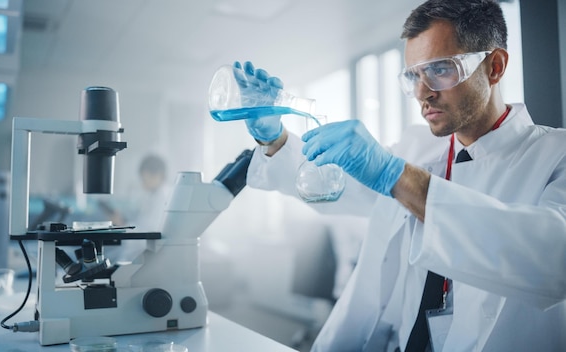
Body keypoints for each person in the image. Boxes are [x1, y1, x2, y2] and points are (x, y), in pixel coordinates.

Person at [229, 0, 566, 350]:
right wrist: (275, 138)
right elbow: (335, 186)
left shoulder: (555, 155)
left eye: (440, 69)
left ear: (494, 66)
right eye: (414, 75)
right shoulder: (415, 148)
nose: (422, 92)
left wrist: (397, 176)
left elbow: (553, 258)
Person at [102, 153, 170, 262]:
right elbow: (142, 223)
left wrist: (122, 227)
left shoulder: (163, 198)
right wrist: (123, 224)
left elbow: (149, 232)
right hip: (137, 250)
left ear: (158, 175)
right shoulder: (153, 195)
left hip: (143, 253)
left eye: (144, 179)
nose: (143, 183)